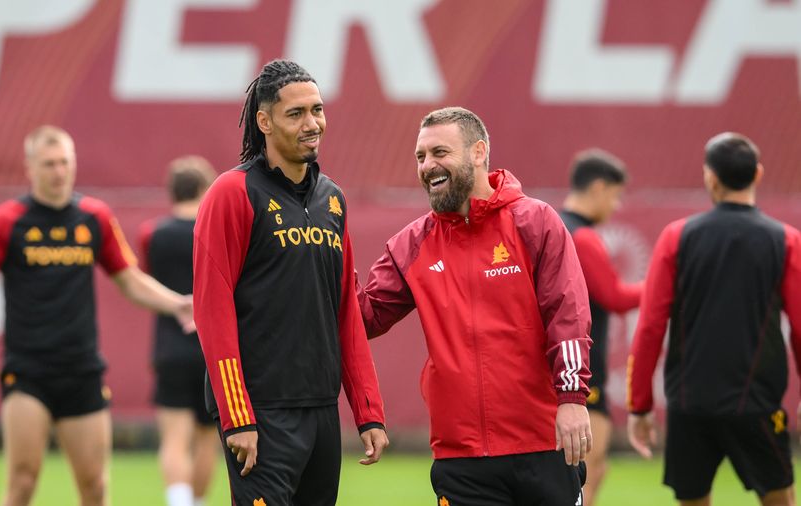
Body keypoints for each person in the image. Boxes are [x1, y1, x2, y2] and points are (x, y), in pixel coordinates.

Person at [358, 106, 592, 505]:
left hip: (542, 444)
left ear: (478, 152)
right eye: (420, 156)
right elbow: (365, 317)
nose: (427, 166)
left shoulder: (535, 222)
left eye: (440, 153)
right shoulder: (412, 244)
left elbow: (567, 316)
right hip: (460, 457)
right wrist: (325, 258)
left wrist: (572, 399)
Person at [193, 59, 388, 505]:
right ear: (264, 122)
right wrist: (237, 416)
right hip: (261, 412)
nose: (312, 123)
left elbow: (344, 311)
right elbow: (212, 311)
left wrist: (368, 410)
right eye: (296, 113)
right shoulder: (232, 193)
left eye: (317, 110)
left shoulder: (332, 199)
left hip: (321, 411)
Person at [0, 126, 194, 506]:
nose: (59, 171)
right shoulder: (7, 221)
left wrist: (177, 303)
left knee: (95, 487)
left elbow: (129, 279)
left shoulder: (94, 217)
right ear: (30, 167)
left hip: (81, 369)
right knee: (22, 482)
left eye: (65, 162)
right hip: (27, 371)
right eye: (49, 164)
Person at [627, 133, 801, 506]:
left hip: (690, 406)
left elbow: (650, 327)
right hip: (757, 403)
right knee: (781, 500)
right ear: (758, 173)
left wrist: (639, 405)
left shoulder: (676, 237)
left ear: (710, 177)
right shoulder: (786, 240)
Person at [559, 149, 643, 506]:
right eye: (615, 195)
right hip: (583, 375)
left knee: (577, 476)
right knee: (588, 475)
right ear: (598, 188)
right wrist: (666, 285)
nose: (615, 205)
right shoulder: (583, 236)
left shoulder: (550, 226)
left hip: (554, 370)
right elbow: (615, 296)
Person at [138, 156, 219, 506]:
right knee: (207, 439)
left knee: (174, 438)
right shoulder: (214, 230)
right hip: (213, 348)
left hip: (169, 346)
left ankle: (179, 502)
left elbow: (145, 281)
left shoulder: (153, 233)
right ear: (204, 188)